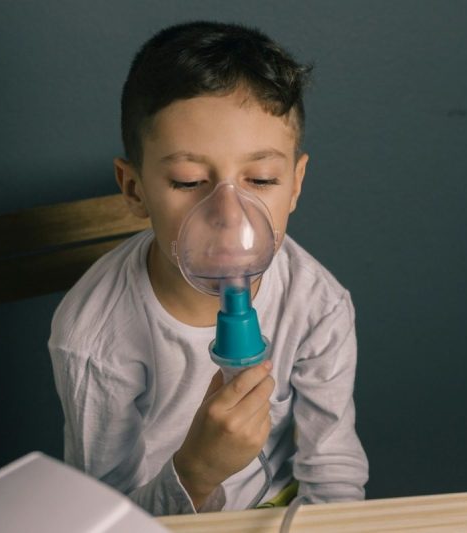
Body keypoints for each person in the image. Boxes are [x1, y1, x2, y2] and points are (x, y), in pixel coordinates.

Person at [48, 20, 368, 516]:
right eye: (188, 181)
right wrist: (196, 471)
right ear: (133, 188)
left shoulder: (315, 304)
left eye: (261, 179)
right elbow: (107, 521)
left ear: (296, 184)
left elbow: (333, 472)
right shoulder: (96, 338)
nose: (227, 215)